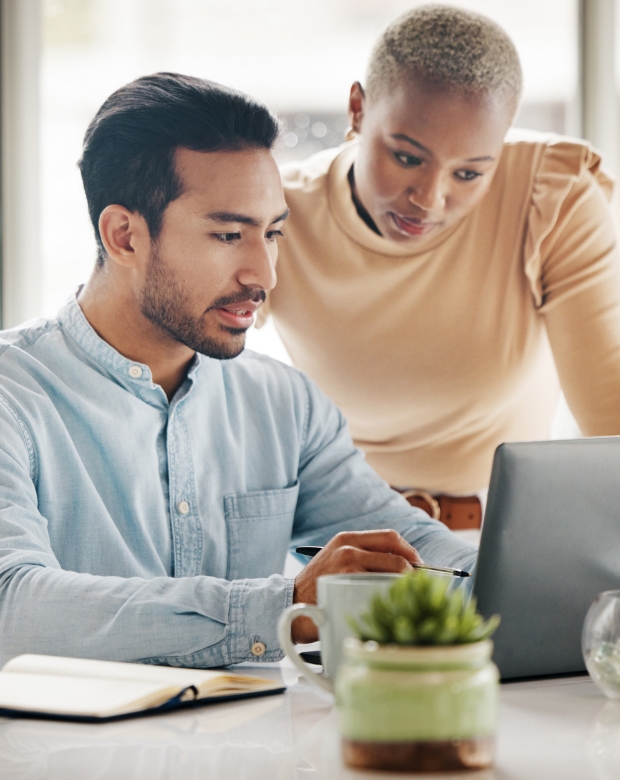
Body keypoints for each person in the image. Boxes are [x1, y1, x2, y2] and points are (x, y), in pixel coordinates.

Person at [0, 73, 476, 668]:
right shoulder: (11, 397)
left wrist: (524, 584)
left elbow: (409, 546)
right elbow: (11, 607)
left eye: (272, 233)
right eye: (228, 234)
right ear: (124, 236)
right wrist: (286, 605)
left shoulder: (284, 404)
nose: (264, 275)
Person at [260, 4, 620, 529]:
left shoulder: (552, 196)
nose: (429, 200)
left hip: (502, 537)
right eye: (407, 158)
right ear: (357, 110)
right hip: (336, 537)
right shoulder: (279, 212)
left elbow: (610, 429)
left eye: (470, 174)